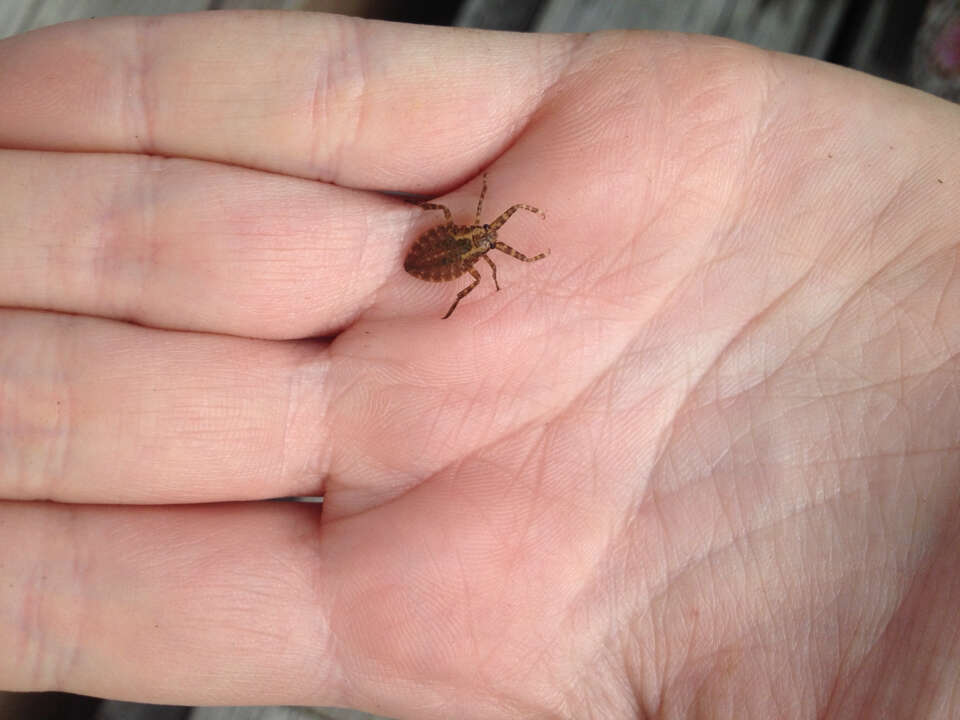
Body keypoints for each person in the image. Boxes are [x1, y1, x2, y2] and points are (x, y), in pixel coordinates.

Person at [0, 11, 957, 719]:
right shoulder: (467, 237)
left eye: (491, 231)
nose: (491, 230)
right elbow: (470, 240)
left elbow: (488, 246)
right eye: (489, 226)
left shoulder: (477, 241)